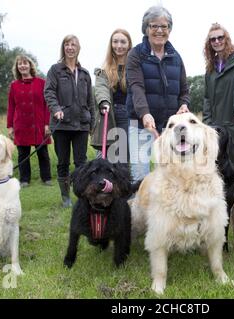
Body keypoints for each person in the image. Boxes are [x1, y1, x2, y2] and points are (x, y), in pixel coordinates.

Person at [126, 5, 190, 182]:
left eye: (164, 26)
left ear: (169, 29)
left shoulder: (176, 56)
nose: (159, 30)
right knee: (141, 178)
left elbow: (184, 90)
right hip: (141, 125)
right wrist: (145, 114)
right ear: (146, 29)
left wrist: (184, 104)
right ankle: (139, 210)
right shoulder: (135, 54)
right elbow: (136, 87)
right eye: (154, 26)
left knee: (170, 177)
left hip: (169, 128)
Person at [44, 35, 95, 208]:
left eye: (73, 44)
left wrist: (92, 123)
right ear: (63, 48)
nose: (70, 47)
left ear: (78, 48)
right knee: (63, 161)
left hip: (81, 124)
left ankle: (82, 194)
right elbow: (49, 92)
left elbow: (90, 101)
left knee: (81, 162)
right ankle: (66, 197)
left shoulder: (85, 74)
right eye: (67, 44)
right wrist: (56, 109)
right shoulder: (55, 70)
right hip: (62, 124)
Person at [203, 23, 234, 192]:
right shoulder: (210, 68)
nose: (217, 41)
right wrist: (207, 123)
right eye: (213, 39)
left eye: (220, 37)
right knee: (218, 168)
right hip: (217, 126)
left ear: (226, 38)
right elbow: (207, 98)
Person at [7, 54, 52, 188]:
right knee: (23, 154)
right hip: (21, 124)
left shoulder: (41, 83)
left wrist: (47, 124)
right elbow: (11, 106)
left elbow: (47, 105)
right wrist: (10, 126)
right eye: (19, 64)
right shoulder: (14, 86)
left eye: (25, 63)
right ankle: (24, 180)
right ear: (17, 67)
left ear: (30, 65)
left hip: (39, 124)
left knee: (43, 153)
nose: (22, 66)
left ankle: (47, 178)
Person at [91, 29, 132, 163]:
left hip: (129, 116)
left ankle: (123, 183)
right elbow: (101, 88)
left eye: (123, 42)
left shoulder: (135, 67)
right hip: (109, 115)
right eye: (115, 41)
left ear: (129, 44)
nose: (119, 45)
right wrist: (104, 102)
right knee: (106, 158)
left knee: (123, 159)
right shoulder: (104, 69)